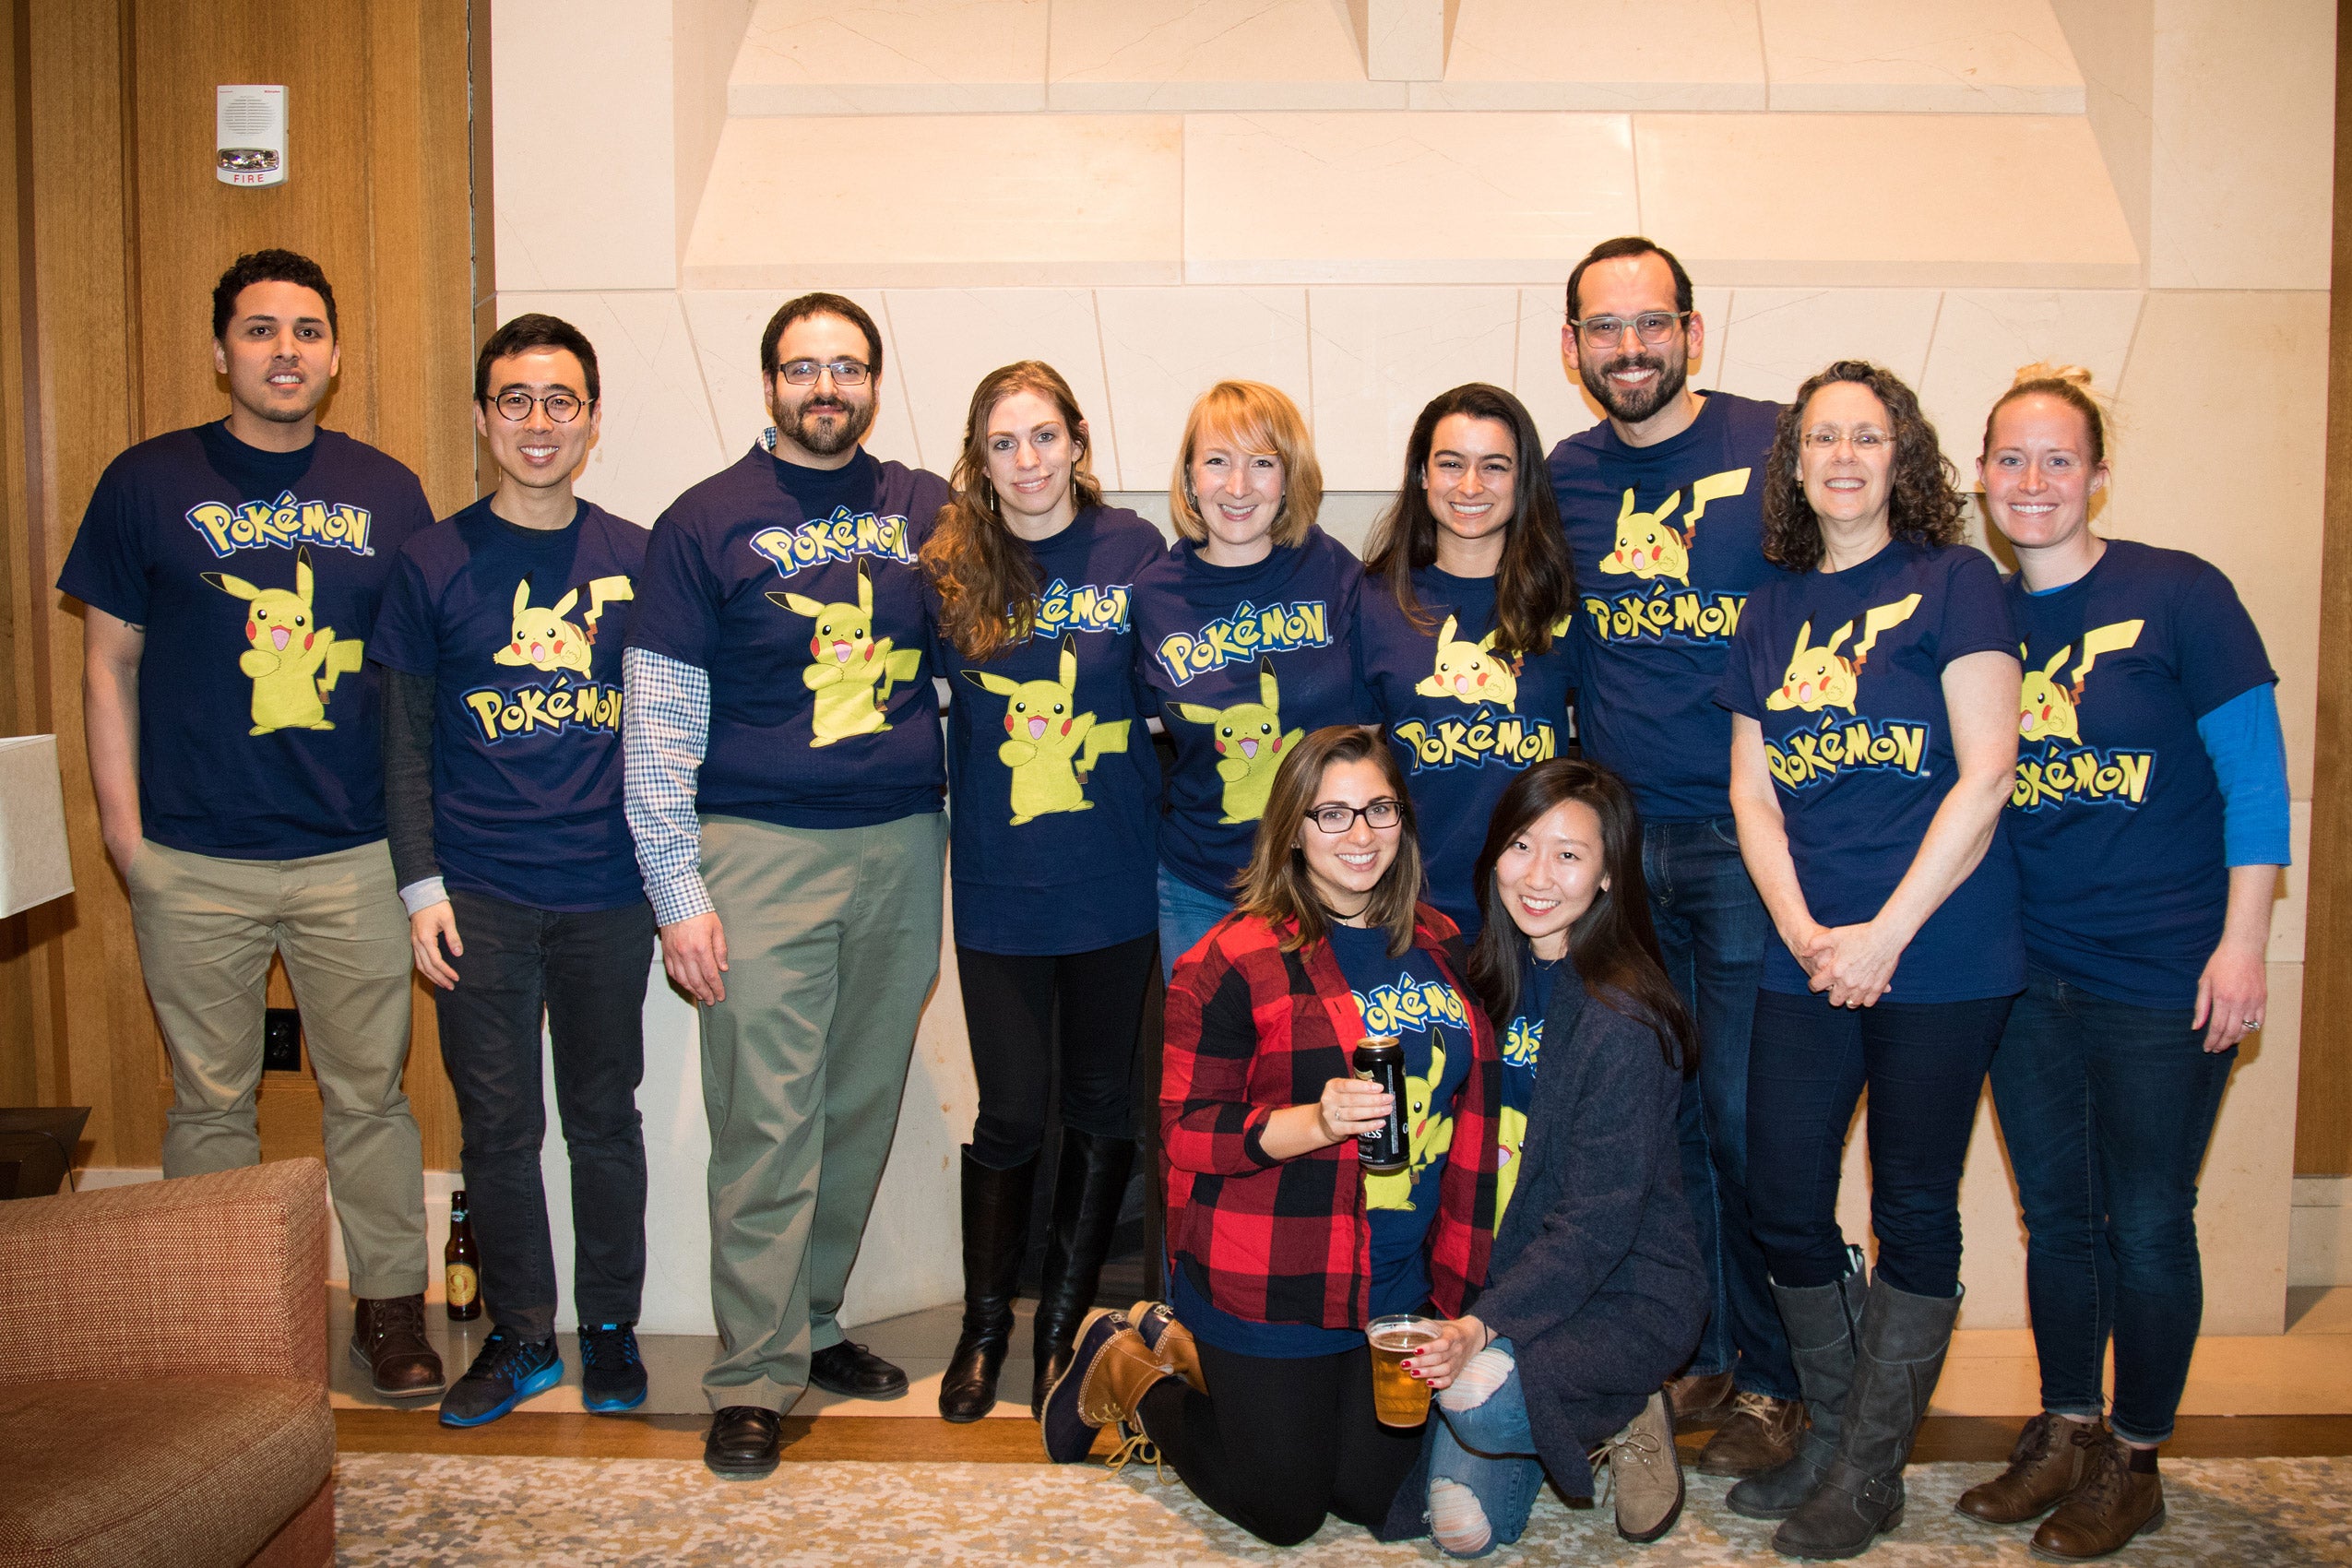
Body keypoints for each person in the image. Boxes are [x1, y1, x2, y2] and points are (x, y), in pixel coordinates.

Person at [58, 248, 443, 1398]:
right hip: (192, 857)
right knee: (208, 1102)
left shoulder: (387, 491)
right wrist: (128, 841)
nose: (287, 350)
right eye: (262, 329)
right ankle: (215, 1319)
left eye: (309, 330)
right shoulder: (146, 481)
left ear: (334, 354)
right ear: (221, 347)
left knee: (370, 1094)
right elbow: (106, 664)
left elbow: (414, 681)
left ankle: (389, 1310)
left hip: (352, 854)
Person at [1954, 366, 2287, 1559]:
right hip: (2022, 971)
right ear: (1980, 476)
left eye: (2057, 459)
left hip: (2160, 972)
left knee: (2146, 1220)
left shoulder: (2180, 594)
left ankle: (2134, 1455)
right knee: (2057, 1219)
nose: (2032, 481)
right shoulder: (1977, 611)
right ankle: (2064, 1424)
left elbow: (2254, 780)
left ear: (2097, 474)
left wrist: (2243, 942)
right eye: (2010, 459)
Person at [624, 292, 951, 1479]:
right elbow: (657, 722)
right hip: (756, 848)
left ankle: (810, 1321)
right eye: (804, 367)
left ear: (874, 380)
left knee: (858, 1105)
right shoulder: (702, 521)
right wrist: (677, 889)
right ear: (769, 385)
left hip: (906, 842)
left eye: (849, 366)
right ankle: (752, 1373)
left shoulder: (926, 508)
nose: (828, 386)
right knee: (767, 1120)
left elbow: (982, 655)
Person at [1040, 726, 1501, 1550]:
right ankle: (1128, 1358)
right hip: (1275, 1273)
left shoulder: (1438, 943)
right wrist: (1316, 1122)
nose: (1360, 835)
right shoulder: (1231, 959)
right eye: (1331, 814)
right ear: (1290, 827)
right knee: (1286, 1511)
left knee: (1369, 1495)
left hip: (1394, 1282)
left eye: (1378, 809)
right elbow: (1187, 1135)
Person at [1716, 360, 2024, 1559]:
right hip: (1808, 946)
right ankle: (1842, 1428)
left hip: (1940, 950)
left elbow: (1985, 771)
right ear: (1792, 465)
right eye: (1820, 439)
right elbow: (1750, 791)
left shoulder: (1955, 583)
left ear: (1905, 458)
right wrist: (1803, 933)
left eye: (1868, 436)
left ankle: (1868, 1473)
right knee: (1780, 1191)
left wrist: (1883, 935)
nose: (1843, 456)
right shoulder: (1771, 608)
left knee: (1911, 1205)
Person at [372, 313, 654, 1428]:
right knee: (497, 1127)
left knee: (605, 1119)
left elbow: (678, 727)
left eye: (562, 401)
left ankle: (612, 1327)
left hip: (607, 891)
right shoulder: (433, 560)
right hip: (475, 897)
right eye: (516, 401)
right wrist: (419, 885)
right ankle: (524, 1333)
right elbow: (400, 742)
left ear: (592, 420)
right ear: (485, 416)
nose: (539, 423)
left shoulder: (636, 557)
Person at [1546, 235, 1797, 1471]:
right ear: (1571, 347)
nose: (1629, 347)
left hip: (1754, 844)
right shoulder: (1566, 477)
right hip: (1627, 854)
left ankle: (1784, 1375)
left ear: (1693, 332)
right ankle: (1702, 1351)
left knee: (1754, 1116)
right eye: (1605, 327)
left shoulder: (1780, 445)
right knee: (1671, 1115)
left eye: (1652, 323)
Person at [920, 362, 1165, 1421]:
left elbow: (1174, 701)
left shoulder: (1137, 552)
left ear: (1077, 440)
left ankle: (1062, 1330)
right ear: (981, 457)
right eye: (1003, 442)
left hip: (1115, 878)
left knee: (1106, 1104)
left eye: (1043, 436)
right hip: (1000, 885)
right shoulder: (948, 568)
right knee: (1013, 1110)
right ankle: (987, 1326)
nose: (1027, 461)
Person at [1404, 759, 1703, 1554]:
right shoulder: (1478, 981)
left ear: (1608, 877)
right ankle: (1554, 1410)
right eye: (1523, 847)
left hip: (1620, 1286)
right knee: (1459, 1534)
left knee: (1477, 1400)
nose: (1538, 877)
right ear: (1494, 853)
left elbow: (1598, 1227)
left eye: (1570, 856)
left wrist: (1481, 1326)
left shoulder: (1623, 1016)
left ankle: (1626, 1398)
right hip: (1501, 1271)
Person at [1133, 381, 1372, 980]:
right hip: (1201, 886)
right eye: (1217, 461)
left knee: (1333, 1067)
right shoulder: (1155, 594)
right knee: (1207, 1069)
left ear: (1289, 478)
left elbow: (1369, 733)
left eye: (1262, 463)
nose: (1237, 487)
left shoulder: (1333, 571)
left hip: (1327, 887)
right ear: (1189, 478)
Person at [1360, 384, 1578, 936]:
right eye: (1451, 463)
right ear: (1422, 476)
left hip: (1540, 909)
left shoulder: (1565, 602)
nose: (1471, 485)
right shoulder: (1374, 600)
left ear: (1521, 479)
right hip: (1413, 910)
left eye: (1495, 466)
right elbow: (1353, 769)